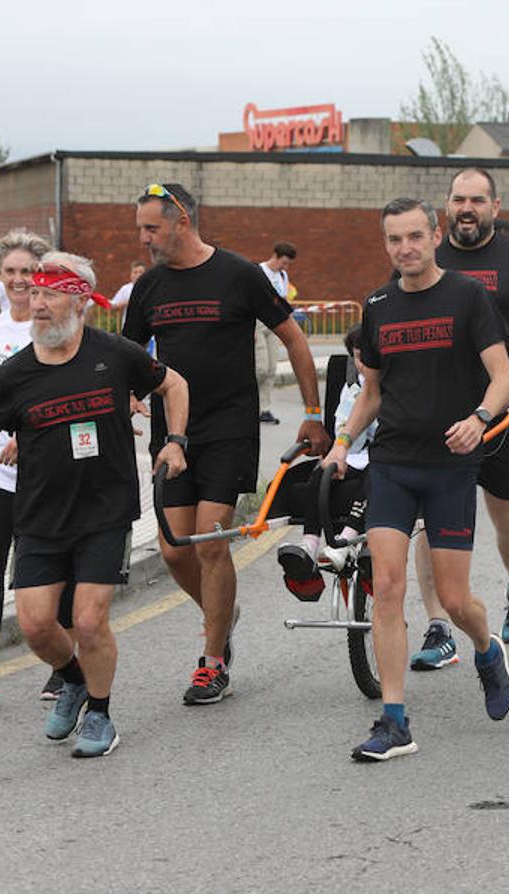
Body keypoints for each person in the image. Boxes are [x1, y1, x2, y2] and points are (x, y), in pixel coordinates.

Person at [323, 197, 509, 762]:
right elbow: (373, 392)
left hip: (451, 466)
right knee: (387, 586)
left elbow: (504, 378)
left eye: (414, 236)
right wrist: (342, 443)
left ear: (435, 236)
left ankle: (485, 649)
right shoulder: (379, 305)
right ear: (384, 244)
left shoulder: (467, 297)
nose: (405, 248)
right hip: (392, 463)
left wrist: (479, 421)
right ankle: (394, 720)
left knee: (455, 600)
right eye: (393, 240)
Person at [124, 183, 329, 706]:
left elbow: (294, 337)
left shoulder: (239, 275)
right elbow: (129, 357)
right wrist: (126, 396)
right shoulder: (149, 288)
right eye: (141, 228)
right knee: (173, 549)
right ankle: (222, 615)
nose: (144, 238)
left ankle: (212, 662)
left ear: (182, 222)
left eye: (152, 227)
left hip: (230, 429)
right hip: (175, 433)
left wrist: (311, 413)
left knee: (209, 542)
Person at [0, 252, 189, 756]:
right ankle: (72, 679)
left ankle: (100, 713)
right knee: (34, 624)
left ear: (78, 301)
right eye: (34, 294)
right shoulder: (15, 373)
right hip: (38, 514)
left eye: (49, 295)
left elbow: (173, 384)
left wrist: (176, 440)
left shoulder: (114, 354)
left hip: (105, 509)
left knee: (90, 620)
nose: (37, 304)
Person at [409, 168, 509, 670]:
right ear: (446, 206)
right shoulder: (429, 257)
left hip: (504, 413)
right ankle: (438, 625)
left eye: (477, 200)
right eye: (458, 199)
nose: (466, 208)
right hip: (438, 414)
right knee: (429, 522)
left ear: (496, 205)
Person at [0, 230, 51, 704]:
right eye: (10, 272)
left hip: (46, 473)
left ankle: (62, 664)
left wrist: (25, 440)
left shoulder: (50, 333)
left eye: (27, 272)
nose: (19, 280)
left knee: (44, 574)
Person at [274, 326, 370, 598]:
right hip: (350, 453)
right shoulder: (351, 389)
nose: (361, 365)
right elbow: (342, 423)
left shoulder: (391, 384)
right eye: (357, 358)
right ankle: (309, 544)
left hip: (381, 458)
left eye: (366, 358)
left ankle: (346, 540)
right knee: (321, 472)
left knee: (376, 477)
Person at [256, 242, 297, 425]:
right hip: (257, 323)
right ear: (275, 256)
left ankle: (264, 408)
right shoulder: (259, 271)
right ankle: (249, 403)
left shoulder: (282, 275)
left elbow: (282, 300)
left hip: (274, 324)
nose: (285, 267)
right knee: (261, 368)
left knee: (272, 368)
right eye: (284, 262)